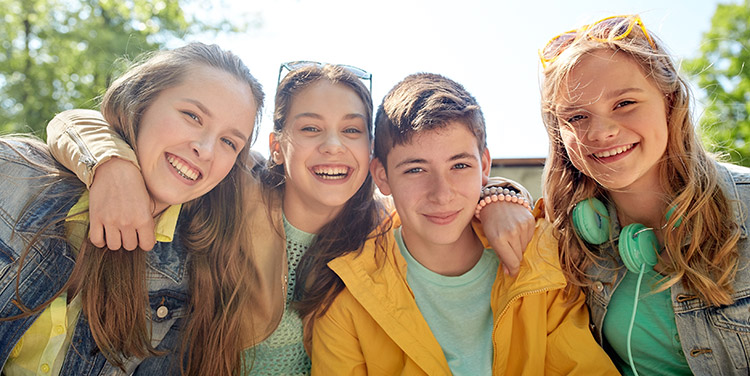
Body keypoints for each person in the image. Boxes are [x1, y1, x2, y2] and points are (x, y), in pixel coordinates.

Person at [46, 63, 537, 374]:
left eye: (351, 130)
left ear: (372, 156)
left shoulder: (379, 229)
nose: (332, 145)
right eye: (310, 128)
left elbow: (446, 198)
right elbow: (72, 121)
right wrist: (111, 165)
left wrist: (497, 195)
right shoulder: (229, 192)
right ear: (278, 147)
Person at [311, 72, 618, 375]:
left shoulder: (539, 260)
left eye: (459, 165)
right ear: (382, 176)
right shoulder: (347, 296)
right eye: (415, 170)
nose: (442, 194)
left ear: (484, 166)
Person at [0, 42, 264, 375]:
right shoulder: (10, 174)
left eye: (229, 142)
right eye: (192, 116)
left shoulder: (192, 272)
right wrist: (109, 163)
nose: (206, 149)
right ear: (142, 103)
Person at [538, 14, 750, 375]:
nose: (601, 133)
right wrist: (499, 194)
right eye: (576, 117)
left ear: (670, 102)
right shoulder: (569, 238)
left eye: (624, 104)